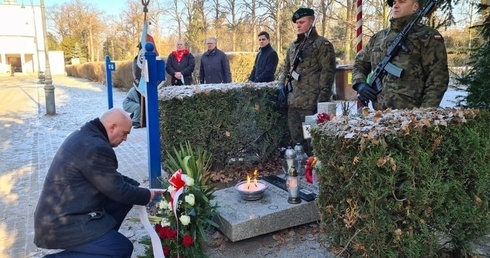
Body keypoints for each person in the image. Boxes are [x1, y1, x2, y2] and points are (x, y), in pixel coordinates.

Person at [34, 108, 162, 257]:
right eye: (125, 133)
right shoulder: (95, 147)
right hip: (60, 224)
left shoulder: (87, 136)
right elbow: (118, 190)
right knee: (121, 248)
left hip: (68, 213)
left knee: (126, 198)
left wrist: (137, 186)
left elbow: (108, 177)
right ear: (112, 127)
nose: (126, 139)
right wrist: (147, 195)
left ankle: (98, 242)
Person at [352, 0, 449, 110]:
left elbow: (438, 79)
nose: (395, 6)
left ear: (415, 6)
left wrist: (424, 114)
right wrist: (360, 84)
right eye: (394, 2)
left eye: (401, 2)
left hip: (411, 116)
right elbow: (360, 63)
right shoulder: (379, 37)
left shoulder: (428, 36)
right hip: (379, 116)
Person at [278, 8, 336, 146]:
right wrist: (281, 85)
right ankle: (298, 167)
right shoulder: (293, 46)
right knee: (296, 142)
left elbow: (327, 73)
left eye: (302, 22)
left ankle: (312, 168)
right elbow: (286, 68)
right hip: (293, 103)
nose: (298, 25)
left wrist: (321, 102)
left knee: (311, 144)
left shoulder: (322, 44)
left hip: (311, 105)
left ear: (311, 21)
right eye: (297, 23)